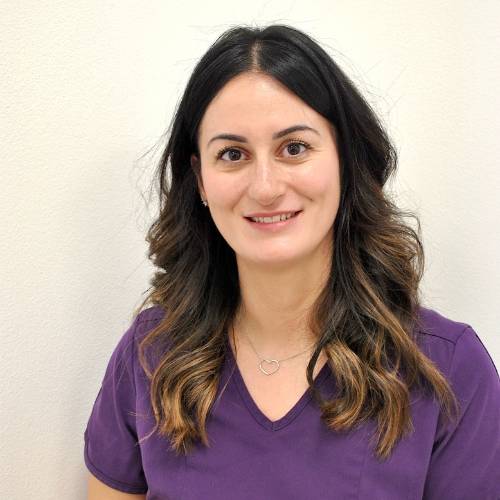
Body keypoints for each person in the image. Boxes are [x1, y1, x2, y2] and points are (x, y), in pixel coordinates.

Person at [84, 24, 500, 499]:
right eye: (233, 154)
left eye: (294, 148)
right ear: (200, 180)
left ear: (345, 158)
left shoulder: (448, 370)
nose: (265, 187)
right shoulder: (149, 356)